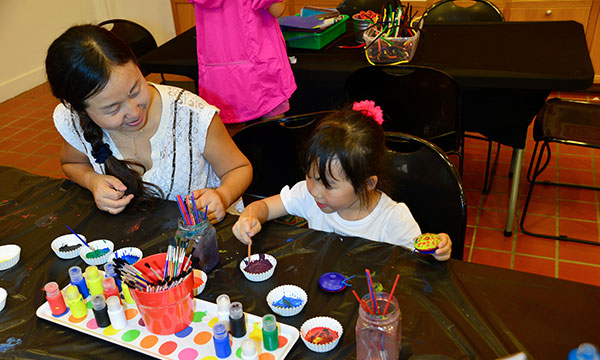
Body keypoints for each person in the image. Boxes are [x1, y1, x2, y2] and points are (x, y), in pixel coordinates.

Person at [45, 24, 252, 223]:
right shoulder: (73, 119)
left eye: (135, 90)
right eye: (113, 108)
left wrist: (222, 196)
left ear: (137, 66)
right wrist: (92, 181)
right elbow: (72, 163)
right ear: (81, 109)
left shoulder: (192, 115)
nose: (134, 112)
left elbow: (239, 168)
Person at [232, 101, 453, 261]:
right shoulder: (310, 197)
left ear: (367, 184)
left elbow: (419, 262)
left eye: (328, 184)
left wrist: (439, 250)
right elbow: (262, 207)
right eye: (310, 176)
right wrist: (249, 219)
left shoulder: (393, 220)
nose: (315, 191)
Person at [188, 0, 296, 136]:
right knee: (272, 131)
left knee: (231, 133)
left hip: (218, 67)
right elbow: (277, 10)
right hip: (260, 62)